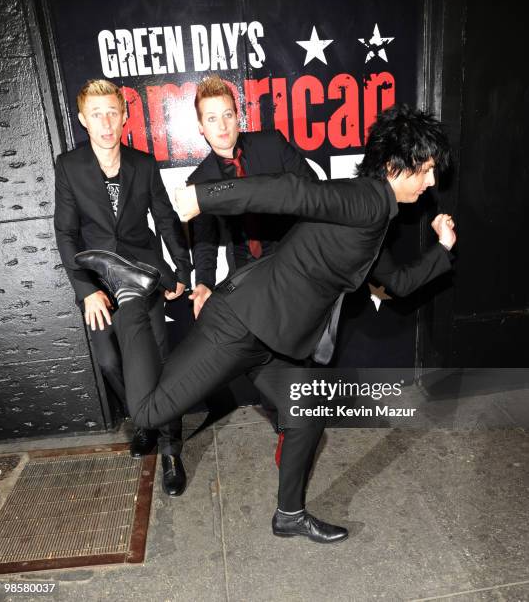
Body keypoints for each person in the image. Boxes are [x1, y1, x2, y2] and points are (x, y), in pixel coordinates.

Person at [75, 104, 457, 543]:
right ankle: (130, 295)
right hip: (241, 323)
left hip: (275, 338)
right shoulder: (366, 199)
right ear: (395, 166)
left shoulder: (376, 215)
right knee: (148, 412)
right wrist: (203, 197)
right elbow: (289, 192)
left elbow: (397, 282)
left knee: (306, 415)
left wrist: (442, 251)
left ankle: (290, 515)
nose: (431, 183)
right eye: (426, 171)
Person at [54, 79, 192, 497]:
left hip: (144, 278)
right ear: (83, 120)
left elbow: (165, 219)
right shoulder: (69, 167)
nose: (106, 122)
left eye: (113, 112)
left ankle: (170, 448)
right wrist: (86, 290)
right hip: (100, 284)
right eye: (96, 114)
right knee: (112, 361)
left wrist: (180, 269)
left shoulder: (143, 164)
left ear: (125, 116)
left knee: (159, 361)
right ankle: (143, 420)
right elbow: (66, 233)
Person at [188, 75, 317, 463]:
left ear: (238, 116)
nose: (222, 126)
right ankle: (284, 423)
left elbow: (311, 191)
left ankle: (300, 422)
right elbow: (205, 241)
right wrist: (204, 284)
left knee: (298, 351)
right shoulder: (201, 181)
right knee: (260, 354)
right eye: (212, 119)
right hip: (247, 273)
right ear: (200, 126)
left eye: (227, 115)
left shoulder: (271, 145)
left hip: (293, 261)